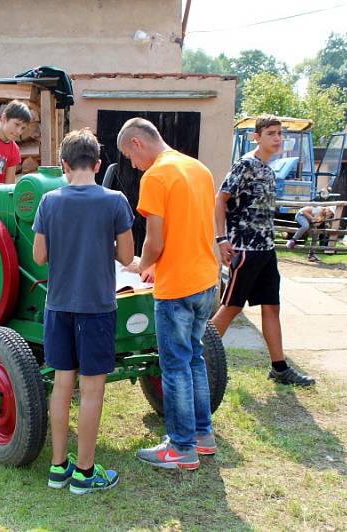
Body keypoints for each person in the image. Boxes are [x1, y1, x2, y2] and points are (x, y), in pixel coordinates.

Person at [32, 128, 134, 494]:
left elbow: (39, 257)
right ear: (98, 163)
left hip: (59, 306)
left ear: (63, 165)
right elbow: (125, 256)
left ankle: (58, 469)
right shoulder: (115, 201)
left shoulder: (49, 201)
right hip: (97, 308)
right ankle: (86, 474)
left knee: (62, 386)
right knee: (92, 391)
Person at [117, 118, 219, 471]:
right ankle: (203, 437)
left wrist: (140, 265)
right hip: (206, 279)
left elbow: (155, 240)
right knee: (194, 359)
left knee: (174, 366)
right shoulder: (198, 168)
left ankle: (180, 447)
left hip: (177, 288)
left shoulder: (156, 176)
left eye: (129, 156)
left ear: (137, 143)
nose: (132, 164)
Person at [212, 114, 315, 386]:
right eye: (271, 133)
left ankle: (280, 369)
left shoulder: (269, 170)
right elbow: (220, 201)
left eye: (280, 134)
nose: (278, 138)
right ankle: (199, 361)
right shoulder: (245, 165)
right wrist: (222, 240)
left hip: (266, 250)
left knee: (272, 307)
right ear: (257, 137)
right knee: (230, 308)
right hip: (245, 250)